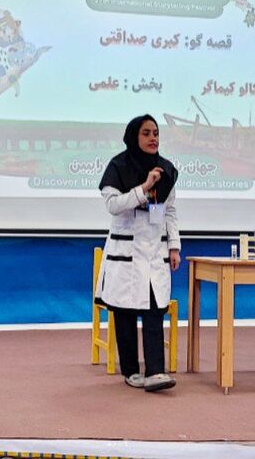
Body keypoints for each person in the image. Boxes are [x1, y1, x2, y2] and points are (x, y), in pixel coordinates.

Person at [95, 114, 181, 392]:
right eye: (146, 133)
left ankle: (155, 371)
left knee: (155, 309)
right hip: (126, 252)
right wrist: (144, 188)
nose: (153, 138)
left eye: (156, 133)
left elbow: (169, 211)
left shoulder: (166, 169)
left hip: (155, 252)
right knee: (125, 312)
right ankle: (131, 371)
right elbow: (113, 205)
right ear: (134, 136)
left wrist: (174, 245)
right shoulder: (118, 166)